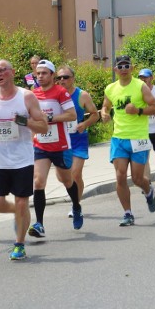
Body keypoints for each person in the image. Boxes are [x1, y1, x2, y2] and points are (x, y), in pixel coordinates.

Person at [0, 60, 48, 260]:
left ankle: (19, 244)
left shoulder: (26, 97)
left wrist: (24, 121)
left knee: (22, 202)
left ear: (12, 72)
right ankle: (20, 214)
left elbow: (44, 127)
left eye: (3, 70)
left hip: (22, 160)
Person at [99, 55, 155, 226]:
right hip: (119, 138)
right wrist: (104, 113)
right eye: (121, 66)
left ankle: (148, 192)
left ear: (132, 68)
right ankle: (128, 213)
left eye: (127, 65)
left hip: (138, 138)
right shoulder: (110, 88)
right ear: (115, 69)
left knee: (137, 178)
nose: (124, 68)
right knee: (120, 177)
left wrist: (138, 111)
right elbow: (106, 105)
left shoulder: (140, 86)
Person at [28, 60, 83, 236]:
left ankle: (76, 206)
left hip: (60, 145)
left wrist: (49, 119)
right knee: (38, 181)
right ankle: (39, 224)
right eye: (38, 73)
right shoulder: (33, 94)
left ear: (52, 75)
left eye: (44, 73)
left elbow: (72, 114)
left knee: (67, 180)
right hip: (40, 144)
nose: (40, 76)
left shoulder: (60, 92)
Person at [55, 65, 99, 214]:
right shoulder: (53, 95)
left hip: (78, 139)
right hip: (59, 140)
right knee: (62, 177)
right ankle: (76, 192)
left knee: (75, 173)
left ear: (72, 79)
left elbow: (95, 114)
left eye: (65, 77)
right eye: (59, 77)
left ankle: (76, 204)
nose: (62, 80)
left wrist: (85, 124)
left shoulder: (82, 95)